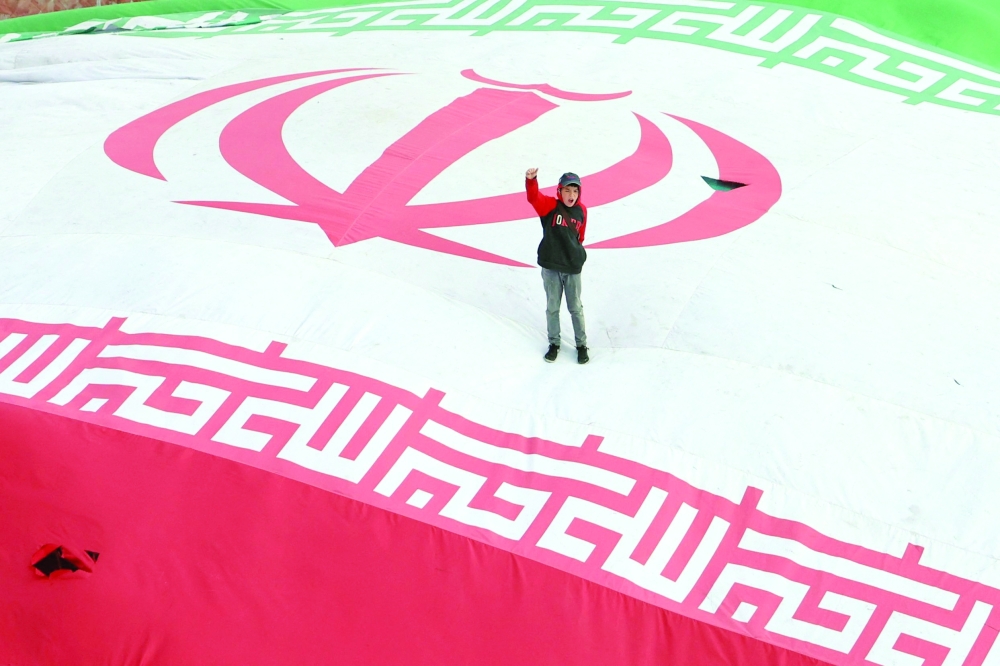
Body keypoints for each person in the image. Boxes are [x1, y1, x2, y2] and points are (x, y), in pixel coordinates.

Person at [525, 168, 589, 364]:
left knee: (575, 308)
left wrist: (575, 256)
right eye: (567, 190)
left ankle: (581, 345)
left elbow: (580, 237)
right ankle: (554, 343)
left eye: (575, 191)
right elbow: (533, 198)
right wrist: (531, 180)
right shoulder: (550, 206)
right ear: (559, 191)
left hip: (572, 268)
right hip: (551, 267)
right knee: (552, 307)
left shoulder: (582, 210)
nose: (571, 195)